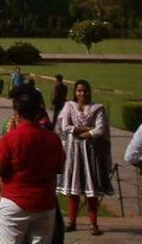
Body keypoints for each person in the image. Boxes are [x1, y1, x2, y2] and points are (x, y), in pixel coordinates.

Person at [0, 86, 65, 243]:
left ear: (17, 114)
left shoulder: (10, 139)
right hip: (45, 202)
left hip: (15, 199)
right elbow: (59, 168)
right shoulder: (53, 139)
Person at [56, 79, 113, 236]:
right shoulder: (69, 106)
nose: (82, 93)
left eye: (85, 90)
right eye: (79, 91)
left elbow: (101, 129)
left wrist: (87, 133)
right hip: (73, 152)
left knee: (92, 189)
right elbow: (64, 126)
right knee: (74, 188)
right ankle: (71, 222)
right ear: (75, 92)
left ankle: (93, 223)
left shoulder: (97, 108)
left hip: (92, 153)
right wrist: (87, 129)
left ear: (89, 92)